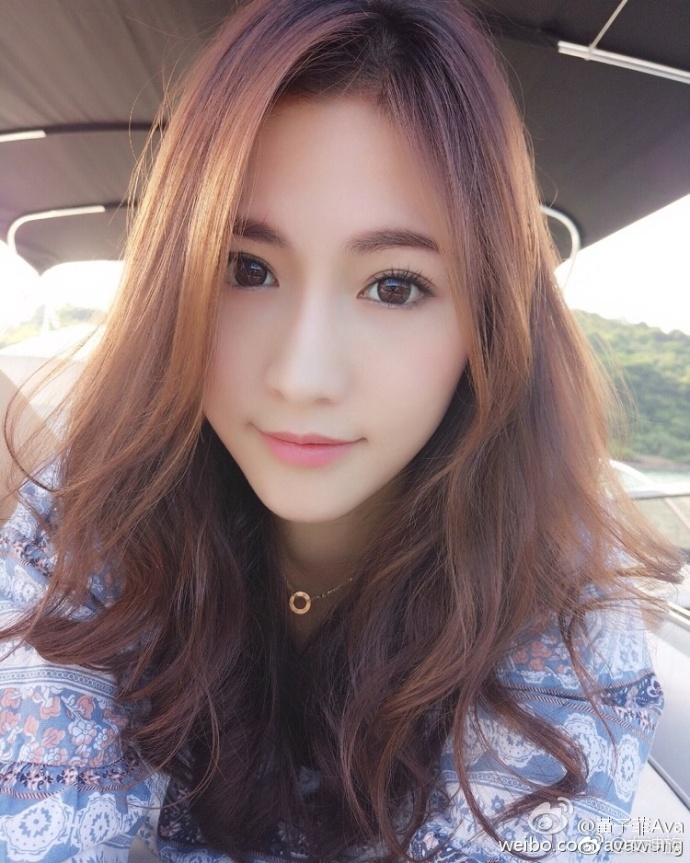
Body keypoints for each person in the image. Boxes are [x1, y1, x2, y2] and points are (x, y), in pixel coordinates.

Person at [0, 0, 681, 860]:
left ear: (489, 323)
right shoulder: (88, 519)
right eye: (246, 269)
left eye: (395, 286)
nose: (302, 375)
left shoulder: (558, 595)